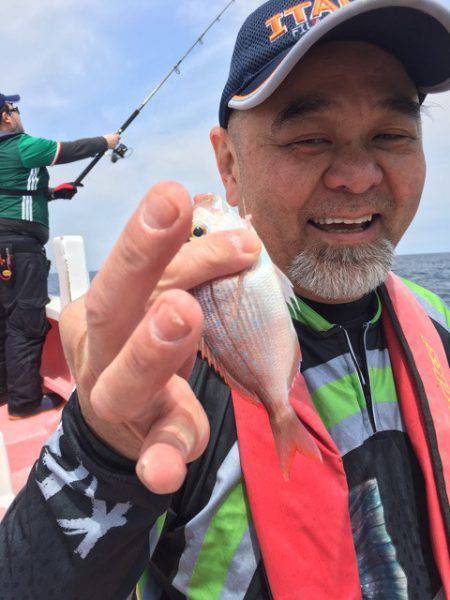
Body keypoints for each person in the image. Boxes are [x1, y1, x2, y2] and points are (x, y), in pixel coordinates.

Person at [0, 0, 449, 597]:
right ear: (229, 165)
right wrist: (101, 450)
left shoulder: (438, 319)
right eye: (310, 138)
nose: (359, 174)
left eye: (392, 134)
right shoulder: (179, 381)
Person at [0, 94, 120, 419]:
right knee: (24, 325)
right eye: (14, 108)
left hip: (4, 248)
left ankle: (4, 396)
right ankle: (23, 405)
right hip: (19, 252)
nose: (18, 113)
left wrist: (53, 193)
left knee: (3, 322)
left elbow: (12, 195)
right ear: (6, 118)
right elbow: (67, 150)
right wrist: (106, 142)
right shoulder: (21, 145)